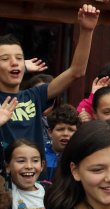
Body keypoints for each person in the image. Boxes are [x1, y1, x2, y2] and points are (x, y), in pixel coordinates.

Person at [0, 4, 99, 153]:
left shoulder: (34, 96)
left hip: (36, 175)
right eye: (5, 58)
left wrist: (86, 31)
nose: (14, 62)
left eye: (19, 58)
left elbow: (76, 71)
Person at [2, 139, 46, 209]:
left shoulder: (50, 192)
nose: (29, 166)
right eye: (21, 161)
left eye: (35, 161)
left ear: (42, 165)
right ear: (7, 166)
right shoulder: (5, 191)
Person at [43, 104, 79, 183]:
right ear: (50, 132)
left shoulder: (79, 157)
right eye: (60, 129)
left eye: (71, 130)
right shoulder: (40, 154)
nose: (66, 133)